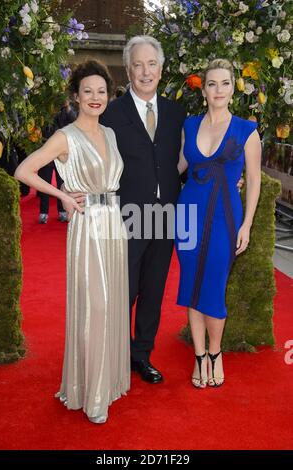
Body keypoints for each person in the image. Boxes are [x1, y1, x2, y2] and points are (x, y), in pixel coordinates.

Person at [63, 36, 187, 384]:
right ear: (128, 70)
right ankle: (115, 355)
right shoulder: (111, 114)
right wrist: (66, 189)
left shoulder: (177, 113)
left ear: (161, 70)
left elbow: (186, 159)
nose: (145, 72)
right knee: (122, 291)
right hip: (123, 219)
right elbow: (80, 147)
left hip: (165, 218)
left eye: (152, 64)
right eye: (137, 64)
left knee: (153, 290)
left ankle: (141, 355)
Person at [15, 60, 130, 423]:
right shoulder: (65, 137)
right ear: (76, 96)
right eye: (88, 92)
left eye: (101, 91)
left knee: (112, 306)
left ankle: (108, 383)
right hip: (89, 228)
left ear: (108, 95)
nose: (95, 98)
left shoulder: (110, 134)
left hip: (113, 224)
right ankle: (91, 395)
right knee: (95, 307)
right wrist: (61, 195)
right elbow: (24, 170)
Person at [175, 59, 261, 388]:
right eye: (212, 84)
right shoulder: (190, 125)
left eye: (225, 83)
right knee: (191, 283)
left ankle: (215, 353)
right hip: (188, 214)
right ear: (204, 90)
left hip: (226, 216)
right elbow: (177, 165)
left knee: (213, 284)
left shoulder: (246, 130)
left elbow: (253, 180)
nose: (219, 90)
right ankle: (199, 357)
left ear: (233, 88)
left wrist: (247, 224)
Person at [38, 101, 78, 224]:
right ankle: (43, 212)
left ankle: (62, 211)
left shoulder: (66, 109)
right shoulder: (42, 109)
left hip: (62, 152)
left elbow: (74, 121)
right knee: (45, 183)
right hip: (46, 151)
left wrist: (67, 108)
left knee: (62, 183)